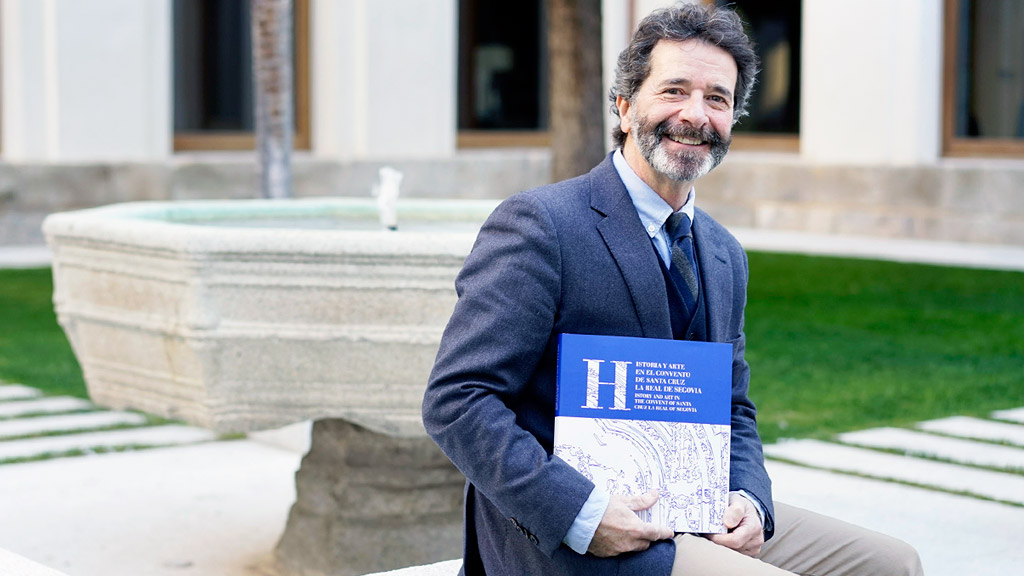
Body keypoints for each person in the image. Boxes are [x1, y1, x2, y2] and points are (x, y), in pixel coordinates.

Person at [422, 3, 924, 575]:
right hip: (573, 533)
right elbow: (457, 400)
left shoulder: (723, 254)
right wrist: (582, 513)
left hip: (695, 507)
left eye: (717, 98)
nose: (695, 115)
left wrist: (751, 501)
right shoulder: (542, 226)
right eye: (674, 91)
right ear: (624, 103)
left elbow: (734, 408)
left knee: (890, 564)